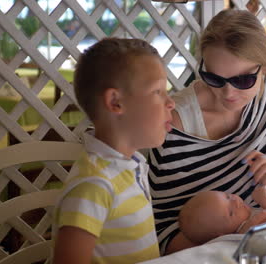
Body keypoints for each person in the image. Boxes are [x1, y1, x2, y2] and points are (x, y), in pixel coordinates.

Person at [148, 9, 266, 255]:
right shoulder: (174, 124)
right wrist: (233, 246)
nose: (228, 94)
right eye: (214, 78)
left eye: (242, 81)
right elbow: (161, 231)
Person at [53, 38, 175, 264]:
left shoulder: (132, 163)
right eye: (158, 91)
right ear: (115, 101)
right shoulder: (94, 185)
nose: (171, 102)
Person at [179, 184, 266, 245]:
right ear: (222, 235)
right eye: (231, 213)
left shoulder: (246, 218)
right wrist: (264, 198)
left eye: (228, 197)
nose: (236, 202)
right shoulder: (248, 228)